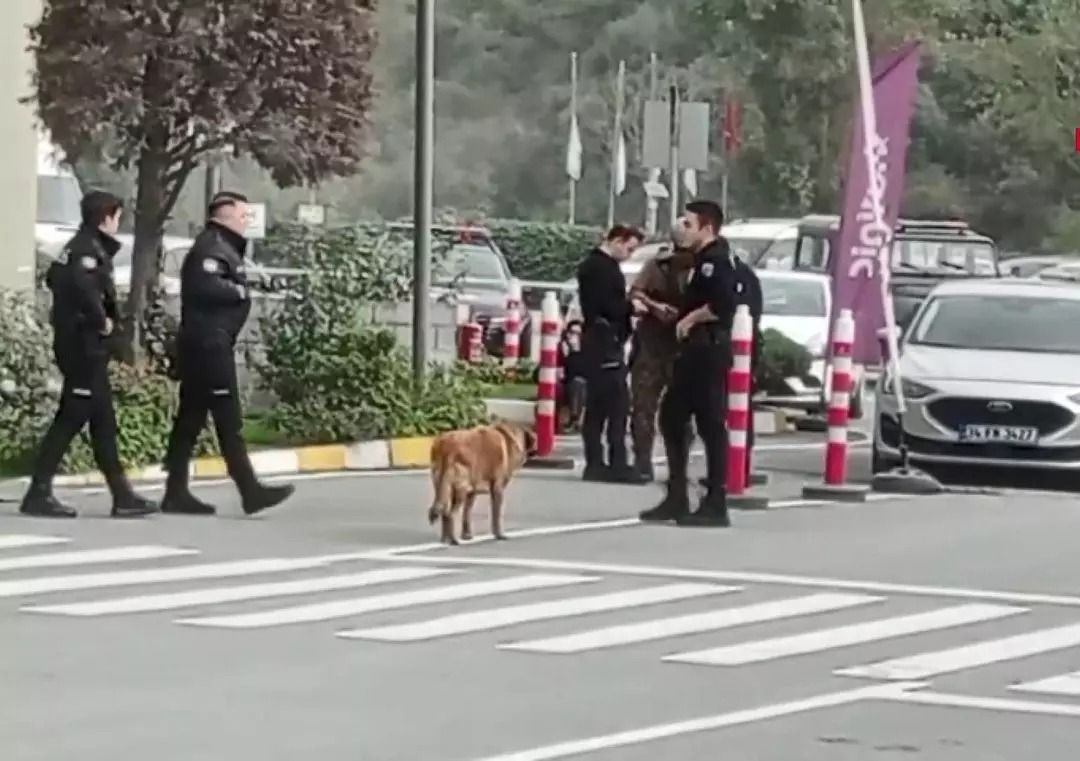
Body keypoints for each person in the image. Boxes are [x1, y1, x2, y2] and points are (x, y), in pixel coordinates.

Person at [20, 191, 158, 519]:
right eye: (117, 217)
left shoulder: (81, 247)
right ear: (105, 218)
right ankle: (38, 492)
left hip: (88, 347)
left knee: (103, 422)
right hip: (82, 346)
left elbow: (57, 278)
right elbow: (81, 288)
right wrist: (101, 320)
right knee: (70, 419)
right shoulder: (85, 251)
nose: (118, 223)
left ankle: (122, 495)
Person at [160, 191, 294, 516]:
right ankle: (249, 490)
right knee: (227, 419)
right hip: (209, 346)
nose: (246, 221)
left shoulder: (225, 248)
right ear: (225, 217)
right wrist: (241, 291)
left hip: (208, 344)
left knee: (190, 420)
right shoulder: (211, 248)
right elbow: (206, 286)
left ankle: (175, 491)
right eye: (242, 215)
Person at [640, 200, 738, 527]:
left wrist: (690, 319)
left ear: (707, 227)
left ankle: (716, 501)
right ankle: (677, 494)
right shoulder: (700, 259)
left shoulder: (716, 260)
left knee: (710, 424)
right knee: (672, 418)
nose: (683, 228)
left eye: (689, 223)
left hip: (707, 351)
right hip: (691, 353)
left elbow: (724, 304)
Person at [575, 224, 648, 484]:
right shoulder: (602, 269)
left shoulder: (593, 266)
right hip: (605, 342)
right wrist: (631, 307)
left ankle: (595, 462)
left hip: (597, 340)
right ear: (617, 241)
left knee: (597, 407)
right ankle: (617, 462)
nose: (629, 255)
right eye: (629, 249)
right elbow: (609, 305)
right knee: (617, 405)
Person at [628, 242, 695, 480]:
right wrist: (654, 306)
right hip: (652, 343)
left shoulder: (704, 267)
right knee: (643, 406)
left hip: (685, 346)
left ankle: (679, 466)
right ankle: (642, 461)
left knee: (683, 411)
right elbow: (636, 292)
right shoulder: (656, 266)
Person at [733, 254, 764, 483]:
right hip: (742, 347)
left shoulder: (739, 275)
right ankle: (736, 468)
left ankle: (737, 469)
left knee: (737, 407)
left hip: (734, 349)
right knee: (739, 408)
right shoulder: (744, 273)